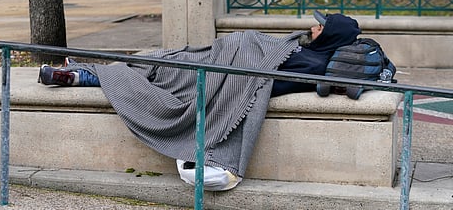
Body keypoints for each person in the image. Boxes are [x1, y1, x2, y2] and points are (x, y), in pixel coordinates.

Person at [38, 11, 361, 190]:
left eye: (320, 26)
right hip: (220, 58)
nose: (312, 27)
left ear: (331, 36)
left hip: (220, 75)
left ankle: (88, 74)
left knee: (161, 69)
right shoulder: (311, 52)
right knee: (161, 59)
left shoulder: (316, 64)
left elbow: (260, 76)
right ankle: (83, 71)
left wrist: (241, 50)